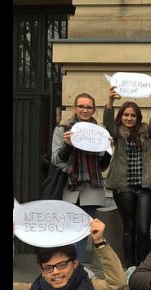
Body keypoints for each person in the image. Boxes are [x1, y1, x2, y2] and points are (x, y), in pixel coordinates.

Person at [103, 83, 151, 268]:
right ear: (121, 117)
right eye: (126, 115)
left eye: (133, 115)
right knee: (129, 228)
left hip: (144, 188)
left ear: (138, 118)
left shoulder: (146, 133)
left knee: (143, 229)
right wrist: (110, 101)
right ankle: (130, 267)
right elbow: (107, 123)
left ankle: (142, 264)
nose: (129, 118)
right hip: (124, 188)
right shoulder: (117, 135)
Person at [51, 93, 111, 264]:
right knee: (68, 231)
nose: (85, 110)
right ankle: (66, 267)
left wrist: (108, 150)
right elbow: (56, 159)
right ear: (75, 108)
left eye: (89, 107)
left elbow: (102, 166)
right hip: (69, 187)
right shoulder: (62, 129)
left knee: (84, 232)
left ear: (93, 110)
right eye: (81, 106)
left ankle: (78, 269)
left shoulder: (100, 132)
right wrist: (68, 146)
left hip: (91, 189)